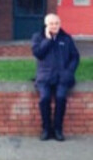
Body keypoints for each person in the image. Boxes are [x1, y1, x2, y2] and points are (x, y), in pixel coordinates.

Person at [31, 13, 80, 141]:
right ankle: (46, 129)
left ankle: (58, 129)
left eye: (56, 23)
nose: (54, 26)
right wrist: (47, 40)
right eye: (51, 24)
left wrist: (69, 71)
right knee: (45, 99)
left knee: (60, 98)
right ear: (46, 25)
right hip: (45, 77)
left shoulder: (66, 38)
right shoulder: (38, 37)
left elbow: (75, 57)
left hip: (62, 77)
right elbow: (38, 53)